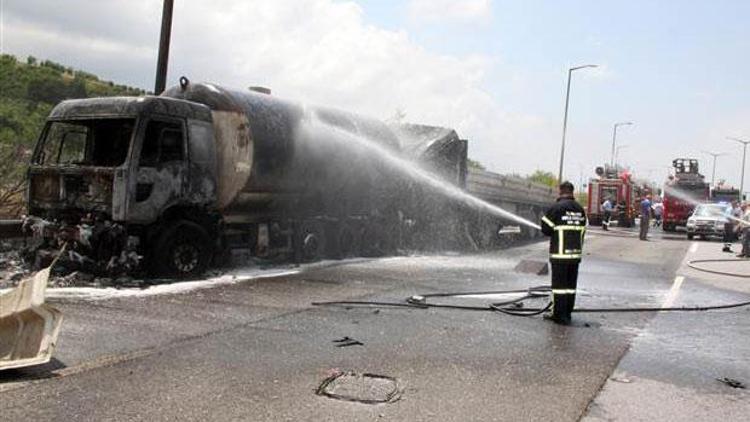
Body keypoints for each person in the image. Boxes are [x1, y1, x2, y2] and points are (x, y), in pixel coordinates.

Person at [540, 181, 587, 325]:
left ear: (560, 191)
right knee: (570, 287)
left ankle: (559, 315)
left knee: (559, 287)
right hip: (575, 255)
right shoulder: (579, 209)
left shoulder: (557, 208)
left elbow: (546, 229)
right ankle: (567, 312)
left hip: (560, 255)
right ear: (572, 192)